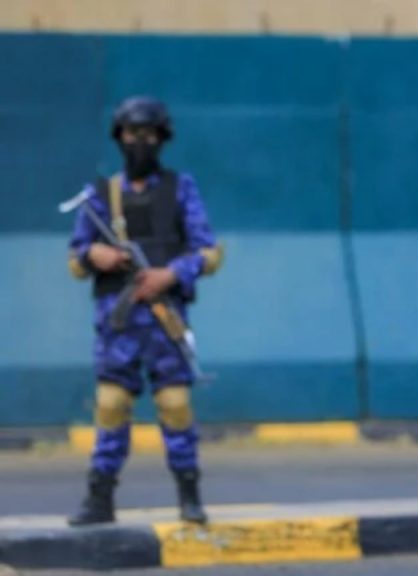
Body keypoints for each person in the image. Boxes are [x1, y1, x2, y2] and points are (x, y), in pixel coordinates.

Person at [65, 96, 223, 526]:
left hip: (163, 318)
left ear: (162, 138)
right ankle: (100, 497)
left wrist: (169, 275)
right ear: (120, 137)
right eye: (133, 134)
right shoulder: (101, 196)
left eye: (149, 135)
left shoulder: (180, 189)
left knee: (174, 403)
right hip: (117, 324)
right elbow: (75, 260)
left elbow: (209, 253)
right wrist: (94, 254)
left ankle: (189, 495)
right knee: (111, 404)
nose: (140, 143)